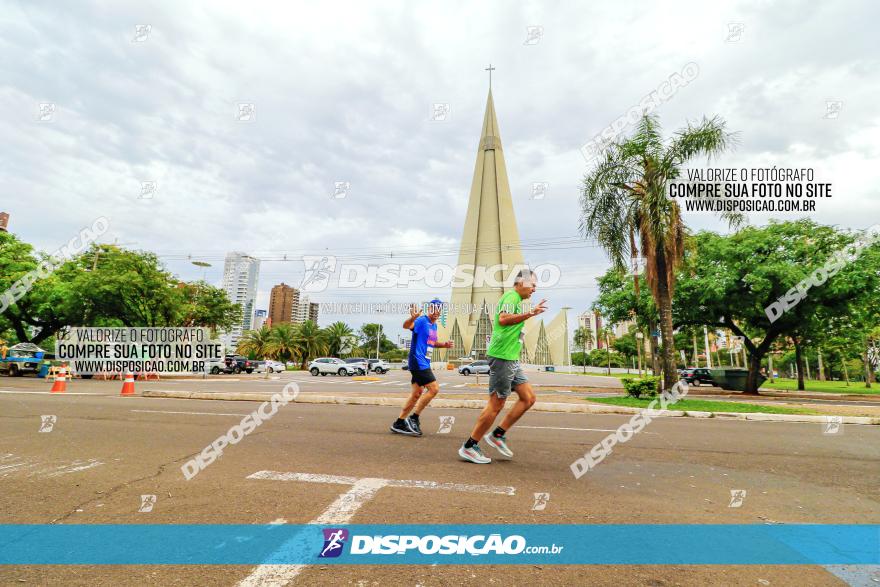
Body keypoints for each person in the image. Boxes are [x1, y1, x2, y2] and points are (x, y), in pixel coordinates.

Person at [458, 269, 547, 464]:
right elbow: (503, 319)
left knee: (528, 398)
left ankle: (497, 435)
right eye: (532, 284)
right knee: (496, 404)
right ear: (521, 283)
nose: (535, 288)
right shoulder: (511, 296)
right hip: (502, 357)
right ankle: (469, 446)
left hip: (511, 358)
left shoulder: (516, 299)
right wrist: (531, 313)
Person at [389, 299, 453, 436]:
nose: (437, 312)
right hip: (418, 361)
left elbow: (432, 343)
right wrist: (412, 317)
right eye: (435, 309)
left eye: (439, 310)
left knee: (416, 394)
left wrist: (445, 345)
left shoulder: (434, 325)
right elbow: (406, 326)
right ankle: (414, 417)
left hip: (424, 361)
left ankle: (399, 423)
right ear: (429, 309)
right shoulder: (422, 321)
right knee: (434, 389)